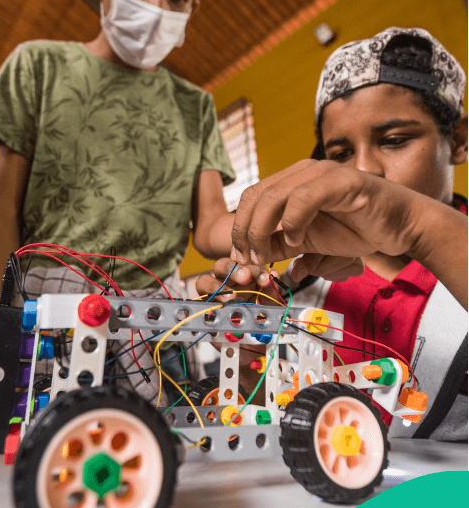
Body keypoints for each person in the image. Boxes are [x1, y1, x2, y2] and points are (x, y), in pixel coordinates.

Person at [0, 0, 270, 404]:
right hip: (45, 316)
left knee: (154, 454)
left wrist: (273, 223)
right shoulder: (37, 67)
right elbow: (0, 209)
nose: (158, 5)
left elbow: (208, 228)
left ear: (192, 6)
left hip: (152, 324)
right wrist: (0, 324)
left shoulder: (195, 106)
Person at [198, 27, 468, 441]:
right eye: (339, 155)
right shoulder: (301, 289)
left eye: (394, 141)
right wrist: (252, 362)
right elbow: (278, 424)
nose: (364, 171)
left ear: (459, 142)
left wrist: (414, 224)